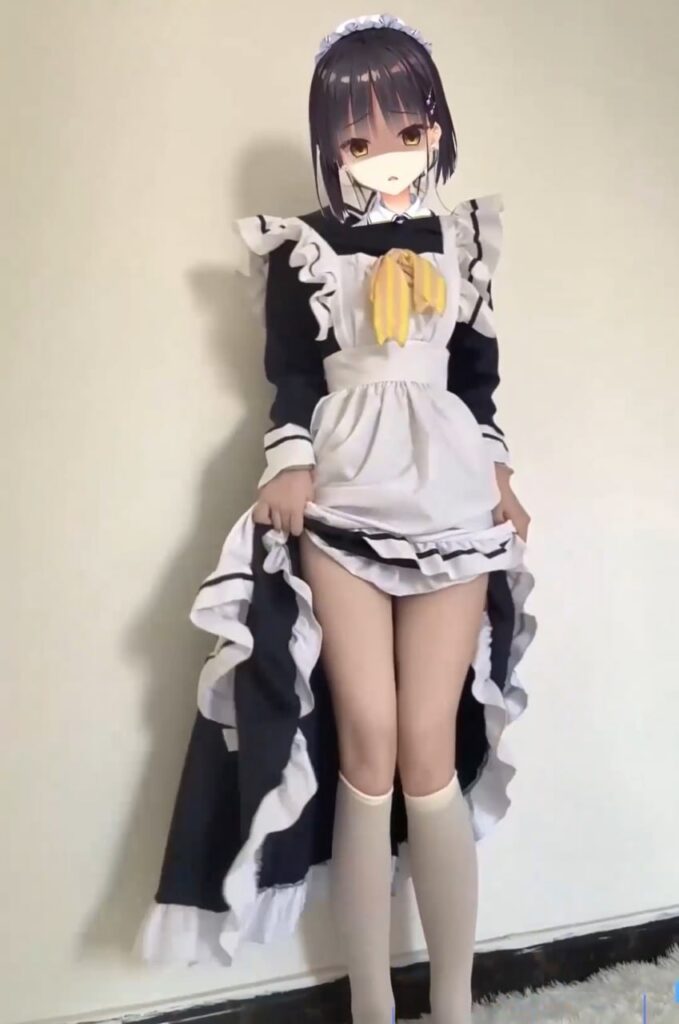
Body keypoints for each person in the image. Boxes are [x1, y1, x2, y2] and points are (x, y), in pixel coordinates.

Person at [141, 15, 537, 1024]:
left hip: (449, 492)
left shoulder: (464, 240)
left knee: (426, 749)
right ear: (331, 146)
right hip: (345, 489)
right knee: (365, 745)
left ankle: (453, 1003)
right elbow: (290, 377)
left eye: (405, 127)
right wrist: (291, 462)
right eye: (357, 138)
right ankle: (369, 1004)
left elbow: (477, 380)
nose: (385, 152)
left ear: (435, 125)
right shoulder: (302, 248)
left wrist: (499, 473)